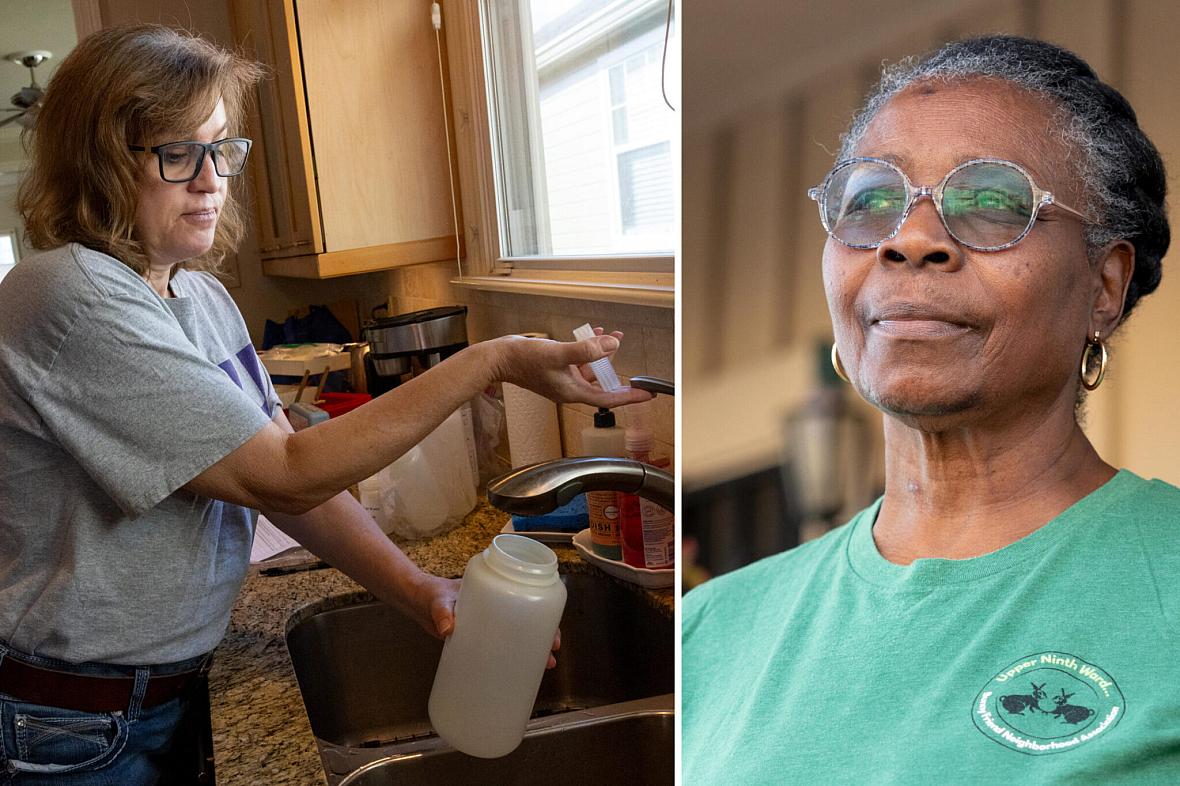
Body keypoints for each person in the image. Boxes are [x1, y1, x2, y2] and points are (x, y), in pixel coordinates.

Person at [0, 24, 649, 784]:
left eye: (221, 150)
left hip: (156, 695)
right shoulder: (69, 294)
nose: (212, 179)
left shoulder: (196, 295)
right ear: (100, 162)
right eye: (178, 153)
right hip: (72, 722)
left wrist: (418, 589)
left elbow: (287, 480)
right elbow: (284, 472)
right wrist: (491, 360)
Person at [683, 35, 1180, 783]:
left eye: (990, 201)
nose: (910, 238)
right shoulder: (708, 632)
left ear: (1104, 289)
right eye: (871, 201)